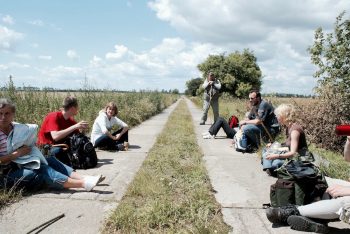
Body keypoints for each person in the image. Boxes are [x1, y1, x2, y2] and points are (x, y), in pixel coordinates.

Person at [0, 98, 103, 192]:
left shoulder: (18, 128)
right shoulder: (54, 116)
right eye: (0, 113)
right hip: (6, 171)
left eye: (7, 113)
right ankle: (82, 184)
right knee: (38, 169)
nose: (3, 117)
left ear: (13, 114)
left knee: (48, 159)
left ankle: (83, 178)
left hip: (22, 161)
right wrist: (16, 154)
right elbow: (55, 137)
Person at [265, 138, 350, 233]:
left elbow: (293, 152)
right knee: (324, 180)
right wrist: (349, 140)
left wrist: (347, 190)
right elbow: (348, 158)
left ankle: (293, 211)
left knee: (345, 202)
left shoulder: (294, 129)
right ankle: (319, 218)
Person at [37, 95, 89, 164]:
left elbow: (78, 138)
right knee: (58, 151)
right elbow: (55, 137)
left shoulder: (70, 121)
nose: (78, 109)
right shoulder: (53, 116)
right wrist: (75, 126)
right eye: (77, 107)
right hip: (44, 148)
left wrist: (83, 129)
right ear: (73, 108)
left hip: (59, 146)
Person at [262, 104, 309, 176]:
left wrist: (276, 155)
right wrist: (274, 145)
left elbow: (293, 153)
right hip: (288, 153)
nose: (276, 117)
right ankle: (270, 168)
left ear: (283, 116)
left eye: (277, 115)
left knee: (276, 162)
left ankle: (271, 167)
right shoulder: (288, 127)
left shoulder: (295, 131)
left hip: (298, 158)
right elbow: (288, 144)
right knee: (266, 149)